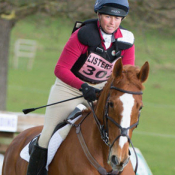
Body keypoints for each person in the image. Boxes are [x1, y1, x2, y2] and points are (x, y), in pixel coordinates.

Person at [26, 0, 135, 174]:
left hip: (100, 91)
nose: (112, 22)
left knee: (119, 127)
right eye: (108, 16)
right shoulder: (82, 36)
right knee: (47, 137)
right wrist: (83, 86)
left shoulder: (126, 42)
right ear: (99, 15)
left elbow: (126, 76)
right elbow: (60, 69)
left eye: (117, 18)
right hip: (69, 87)